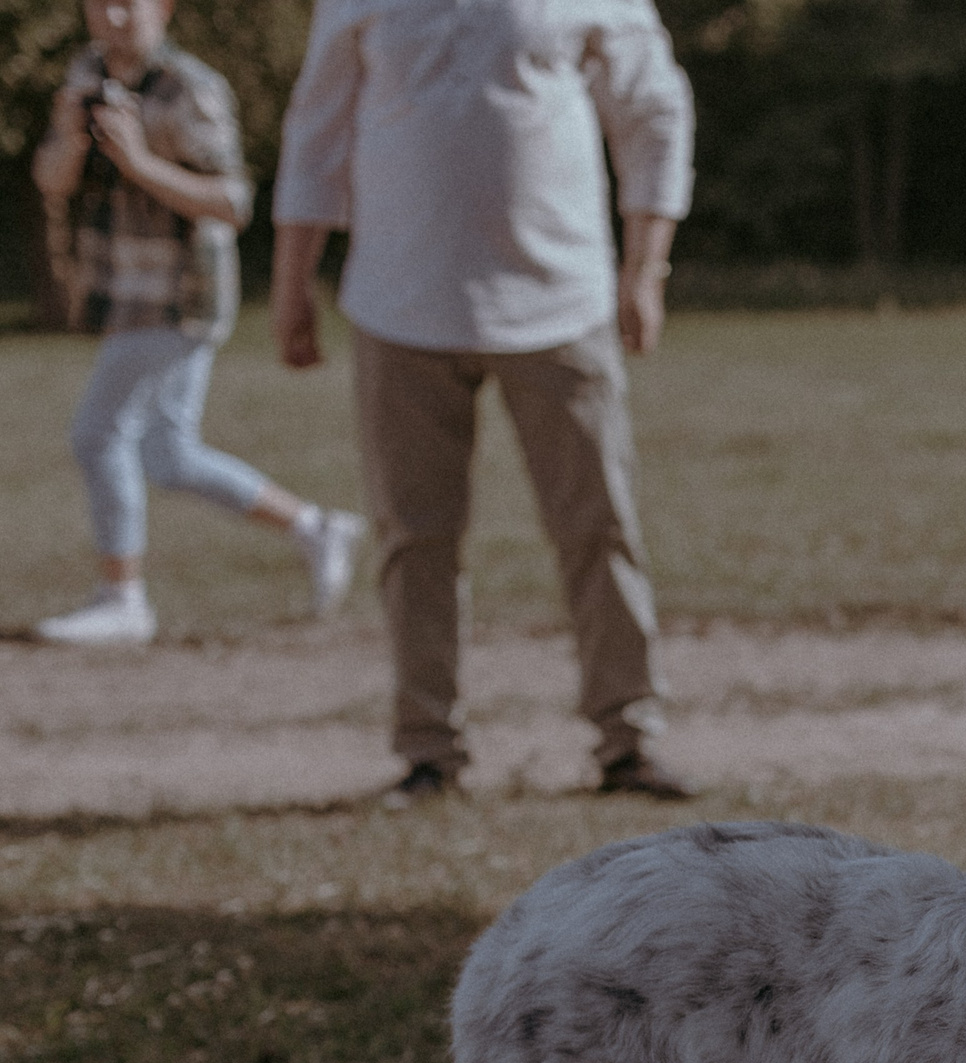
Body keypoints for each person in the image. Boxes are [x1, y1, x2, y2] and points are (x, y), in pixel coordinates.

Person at [269, 0, 697, 805]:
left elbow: (654, 107)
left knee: (599, 527)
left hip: (560, 302)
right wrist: (294, 284)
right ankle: (430, 752)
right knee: (414, 538)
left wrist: (646, 267)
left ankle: (628, 741)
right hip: (401, 304)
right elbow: (316, 128)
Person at [28, 0, 364, 648]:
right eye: (100, 4)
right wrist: (70, 139)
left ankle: (123, 599)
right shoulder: (84, 75)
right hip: (121, 290)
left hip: (181, 294)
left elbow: (233, 202)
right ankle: (316, 528)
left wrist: (138, 162)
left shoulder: (192, 87)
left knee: (98, 435)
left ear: (163, 8)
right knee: (171, 455)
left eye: (130, 3)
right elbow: (52, 181)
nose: (115, 17)